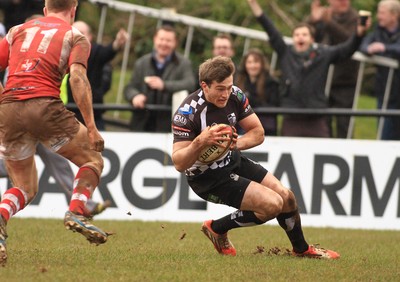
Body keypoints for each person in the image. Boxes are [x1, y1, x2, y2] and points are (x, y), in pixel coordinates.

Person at [171, 55, 340, 259]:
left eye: (229, 86)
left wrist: (234, 144)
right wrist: (200, 141)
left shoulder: (236, 95)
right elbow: (179, 162)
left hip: (232, 160)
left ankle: (302, 250)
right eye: (220, 89)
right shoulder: (187, 112)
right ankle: (217, 228)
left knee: (287, 197)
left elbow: (257, 133)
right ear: (204, 85)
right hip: (208, 179)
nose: (226, 94)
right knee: (272, 205)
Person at [0, 0, 108, 266]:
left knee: (24, 187)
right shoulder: (75, 35)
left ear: (46, 10)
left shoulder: (16, 31)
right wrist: (92, 128)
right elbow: (77, 79)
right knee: (92, 160)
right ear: (74, 10)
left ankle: (1, 218)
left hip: (9, 108)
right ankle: (77, 211)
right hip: (44, 106)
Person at [247, 0, 370, 138]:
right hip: (291, 118)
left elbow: (346, 50)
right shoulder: (286, 53)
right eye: (297, 35)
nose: (300, 37)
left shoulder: (323, 54)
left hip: (316, 118)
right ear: (293, 39)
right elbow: (270, 30)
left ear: (312, 39)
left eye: (304, 35)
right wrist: (254, 5)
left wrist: (359, 34)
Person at [124, 25, 196, 132]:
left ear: (175, 43)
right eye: (161, 39)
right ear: (155, 39)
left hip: (168, 126)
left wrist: (164, 85)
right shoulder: (142, 62)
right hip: (140, 124)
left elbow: (190, 83)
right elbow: (129, 87)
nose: (164, 43)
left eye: (168, 40)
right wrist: (134, 96)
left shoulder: (184, 64)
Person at [307, 0, 359, 138]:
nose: (343, 2)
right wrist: (313, 20)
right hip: (323, 78)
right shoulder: (324, 15)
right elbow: (307, 36)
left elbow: (351, 41)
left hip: (345, 80)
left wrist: (329, 23)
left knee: (344, 123)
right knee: (324, 121)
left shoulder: (355, 18)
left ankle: (347, 153)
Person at [66, 21, 129, 131]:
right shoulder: (62, 52)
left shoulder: (94, 51)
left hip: (92, 116)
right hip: (66, 115)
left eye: (81, 33)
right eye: (73, 33)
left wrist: (118, 43)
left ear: (89, 37)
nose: (76, 36)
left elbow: (108, 51)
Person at [360, 0, 400, 140]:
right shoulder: (378, 31)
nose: (379, 16)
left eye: (382, 13)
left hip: (397, 89)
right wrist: (369, 49)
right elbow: (364, 45)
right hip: (385, 92)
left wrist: (384, 48)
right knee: (385, 133)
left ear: (394, 16)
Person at [236, 48, 280, 136]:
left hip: (265, 128)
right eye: (249, 62)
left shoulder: (271, 82)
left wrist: (251, 100)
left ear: (262, 64)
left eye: (256, 62)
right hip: (242, 127)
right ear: (245, 64)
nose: (252, 66)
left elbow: (274, 106)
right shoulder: (239, 82)